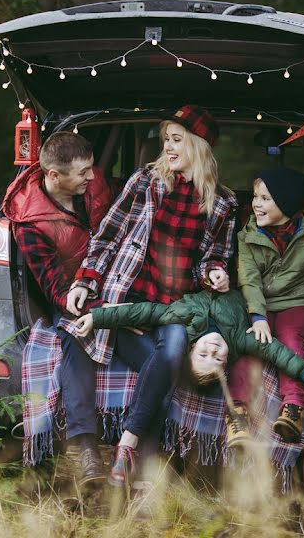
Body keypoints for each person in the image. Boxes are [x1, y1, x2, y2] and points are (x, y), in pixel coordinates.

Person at [63, 104, 238, 488]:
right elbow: (107, 234)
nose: (168, 148)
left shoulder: (223, 203)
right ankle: (144, 466)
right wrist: (84, 282)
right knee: (163, 372)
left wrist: (215, 273)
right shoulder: (146, 181)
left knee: (172, 356)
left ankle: (126, 444)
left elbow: (213, 258)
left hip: (173, 308)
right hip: (128, 296)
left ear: (198, 145)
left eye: (176, 140)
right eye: (166, 140)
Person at [2, 130, 113, 484]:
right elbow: (54, 288)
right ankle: (86, 451)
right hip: (70, 299)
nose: (92, 177)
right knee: (74, 343)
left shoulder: (94, 187)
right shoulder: (30, 224)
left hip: (115, 286)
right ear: (54, 176)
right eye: (82, 173)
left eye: (91, 169)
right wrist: (82, 303)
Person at [72, 289, 304, 410]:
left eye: (203, 355)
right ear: (227, 360)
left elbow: (145, 311)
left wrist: (97, 318)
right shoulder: (241, 339)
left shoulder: (180, 323)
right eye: (217, 358)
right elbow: (279, 353)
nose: (212, 349)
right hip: (240, 282)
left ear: (191, 347)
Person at [235, 167, 304, 443]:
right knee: (250, 347)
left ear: (286, 203)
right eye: (256, 197)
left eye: (265, 198)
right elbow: (249, 280)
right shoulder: (248, 236)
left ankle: (293, 408)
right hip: (262, 306)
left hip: (298, 303)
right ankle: (238, 413)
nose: (256, 203)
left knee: (292, 341)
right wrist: (257, 316)